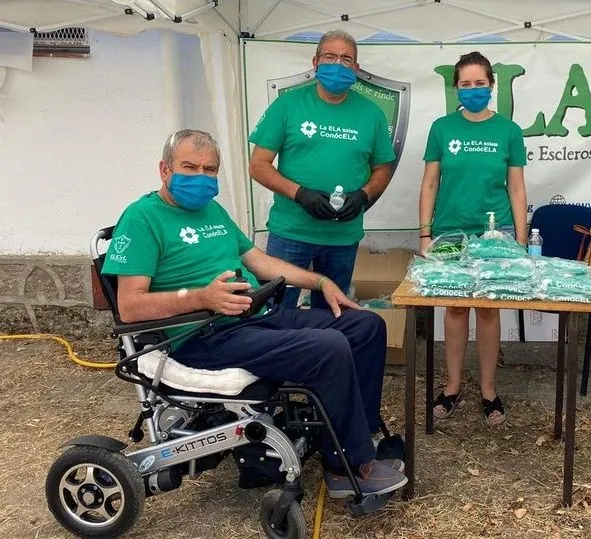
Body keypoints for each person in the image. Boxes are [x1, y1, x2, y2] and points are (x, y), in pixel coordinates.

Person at [101, 129, 406, 498]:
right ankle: (346, 468)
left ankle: (361, 435)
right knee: (328, 347)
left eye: (209, 169)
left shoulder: (211, 210)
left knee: (365, 326)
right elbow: (130, 307)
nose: (201, 177)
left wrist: (320, 281)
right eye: (189, 167)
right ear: (164, 170)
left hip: (247, 319)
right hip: (199, 337)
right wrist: (202, 297)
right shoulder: (142, 218)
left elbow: (258, 260)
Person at [418, 52, 528, 426]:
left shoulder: (509, 131)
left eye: (480, 83)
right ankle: (451, 387)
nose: (473, 90)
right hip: (450, 233)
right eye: (465, 84)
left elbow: (516, 188)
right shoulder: (441, 128)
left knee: (488, 308)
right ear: (456, 88)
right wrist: (425, 234)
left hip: (495, 236)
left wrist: (521, 241)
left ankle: (488, 390)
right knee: (454, 307)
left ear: (491, 85)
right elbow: (430, 183)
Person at [249, 30, 396, 311]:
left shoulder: (372, 114)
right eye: (330, 56)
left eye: (346, 59)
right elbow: (258, 165)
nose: (337, 64)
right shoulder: (288, 105)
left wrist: (363, 196)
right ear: (315, 62)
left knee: (332, 314)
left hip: (342, 236)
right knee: (277, 313)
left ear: (357, 68)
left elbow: (382, 169)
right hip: (291, 232)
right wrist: (300, 193)